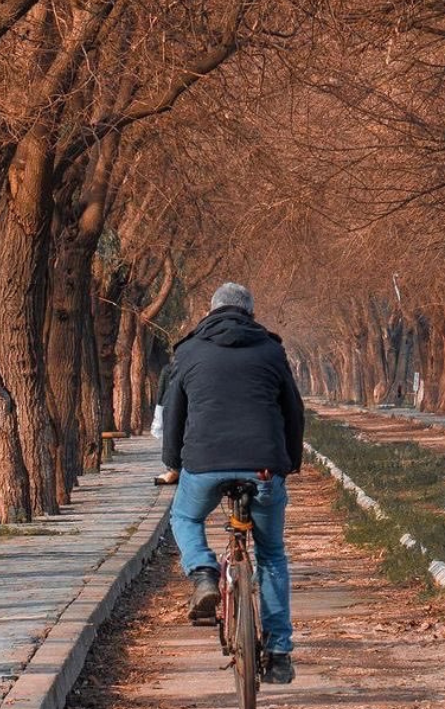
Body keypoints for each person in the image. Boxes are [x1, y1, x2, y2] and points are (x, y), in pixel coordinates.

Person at [162, 282, 304, 684]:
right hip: (263, 468)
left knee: (186, 519)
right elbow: (293, 412)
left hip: (204, 464)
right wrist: (289, 462)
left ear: (211, 312)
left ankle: (204, 573)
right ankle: (279, 654)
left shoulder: (188, 352)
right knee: (272, 554)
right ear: (250, 314)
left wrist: (174, 462)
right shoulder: (272, 351)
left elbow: (174, 414)